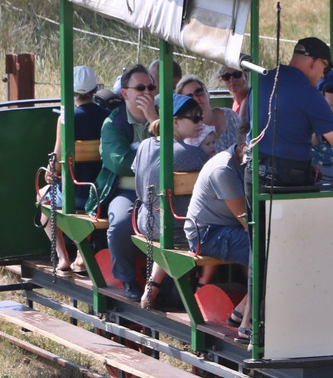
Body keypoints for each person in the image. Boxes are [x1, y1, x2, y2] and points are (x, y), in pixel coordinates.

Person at [250, 36, 333, 190]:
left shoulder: (261, 80)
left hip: (253, 173)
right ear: (315, 61)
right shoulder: (309, 93)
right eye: (325, 67)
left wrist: (308, 164)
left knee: (255, 215)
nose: (323, 75)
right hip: (287, 180)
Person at [85, 64, 160, 301]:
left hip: (161, 191)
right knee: (119, 224)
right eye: (140, 88)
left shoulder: (163, 117)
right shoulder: (112, 124)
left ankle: (172, 284)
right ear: (125, 93)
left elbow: (177, 151)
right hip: (126, 191)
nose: (147, 92)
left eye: (150, 87)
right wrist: (154, 158)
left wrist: (153, 122)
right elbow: (119, 162)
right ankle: (128, 280)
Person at [131, 94, 211, 307]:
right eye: (194, 118)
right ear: (175, 122)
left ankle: (153, 285)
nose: (200, 123)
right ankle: (204, 288)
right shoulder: (192, 154)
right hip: (174, 229)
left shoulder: (145, 145)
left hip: (143, 222)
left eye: (201, 117)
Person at [37, 65, 110, 273]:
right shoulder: (108, 116)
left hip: (77, 193)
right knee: (84, 209)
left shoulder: (66, 119)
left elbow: (56, 160)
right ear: (95, 89)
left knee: (43, 199)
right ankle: (80, 254)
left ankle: (62, 257)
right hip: (101, 192)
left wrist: (50, 171)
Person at [184, 130, 252, 340]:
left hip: (226, 228)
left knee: (270, 247)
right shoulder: (224, 169)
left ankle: (241, 310)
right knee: (264, 250)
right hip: (206, 234)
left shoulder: (247, 163)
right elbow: (248, 222)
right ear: (243, 148)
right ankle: (248, 325)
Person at [177, 73, 240, 153]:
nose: (196, 98)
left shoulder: (231, 116)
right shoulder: (187, 132)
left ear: (207, 94)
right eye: (189, 97)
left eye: (199, 92)